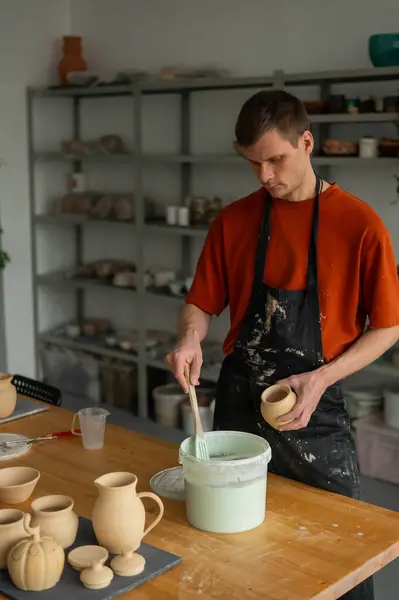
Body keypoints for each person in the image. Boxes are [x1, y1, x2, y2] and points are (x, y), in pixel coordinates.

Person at [165, 90, 399, 600]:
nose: (265, 175)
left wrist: (320, 379)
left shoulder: (360, 226)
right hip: (239, 404)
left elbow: (388, 327)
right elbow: (201, 304)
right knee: (236, 552)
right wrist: (189, 340)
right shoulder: (234, 221)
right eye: (253, 163)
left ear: (307, 142)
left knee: (338, 558)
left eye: (276, 159)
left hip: (315, 409)